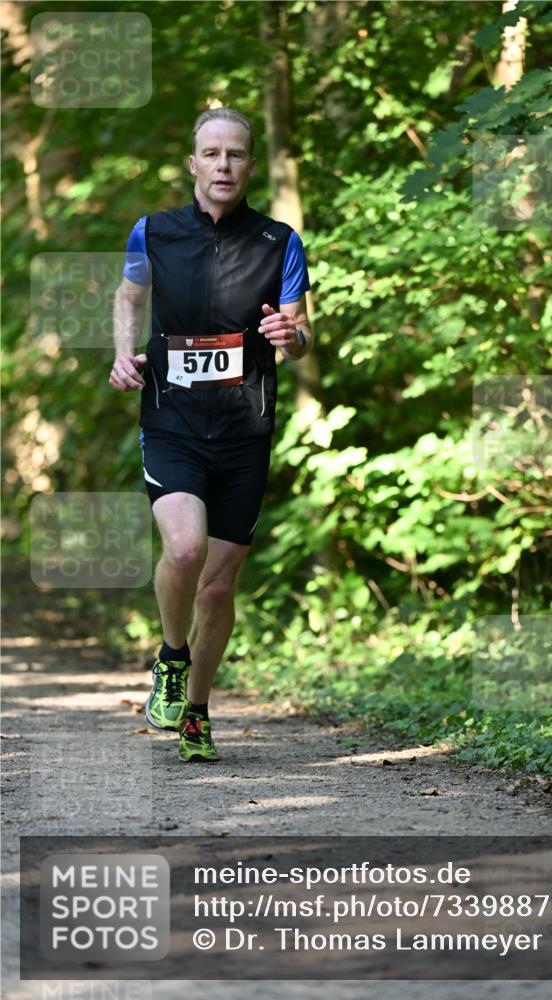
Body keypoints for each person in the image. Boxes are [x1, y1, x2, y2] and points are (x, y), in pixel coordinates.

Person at [109, 107, 313, 762]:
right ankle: (172, 655)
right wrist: (122, 353)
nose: (223, 164)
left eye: (235, 154)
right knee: (187, 547)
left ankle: (195, 709)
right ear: (193, 163)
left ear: (249, 165)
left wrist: (293, 337)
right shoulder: (154, 232)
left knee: (220, 586)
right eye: (212, 153)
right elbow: (128, 297)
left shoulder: (279, 242)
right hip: (172, 421)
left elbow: (300, 332)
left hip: (244, 429)